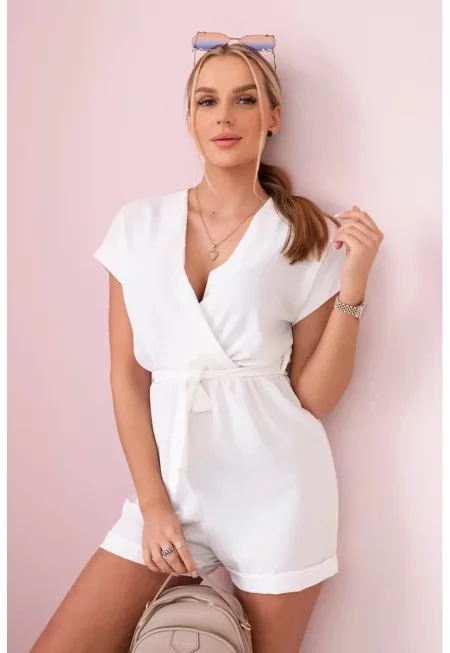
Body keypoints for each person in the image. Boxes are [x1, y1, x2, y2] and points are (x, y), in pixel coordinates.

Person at [31, 33, 383, 653]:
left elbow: (314, 398)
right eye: (207, 101)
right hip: (169, 489)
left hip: (278, 492)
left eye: (245, 100)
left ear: (273, 117)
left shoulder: (305, 232)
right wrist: (153, 504)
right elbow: (126, 376)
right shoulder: (137, 227)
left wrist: (354, 285)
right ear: (189, 118)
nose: (225, 116)